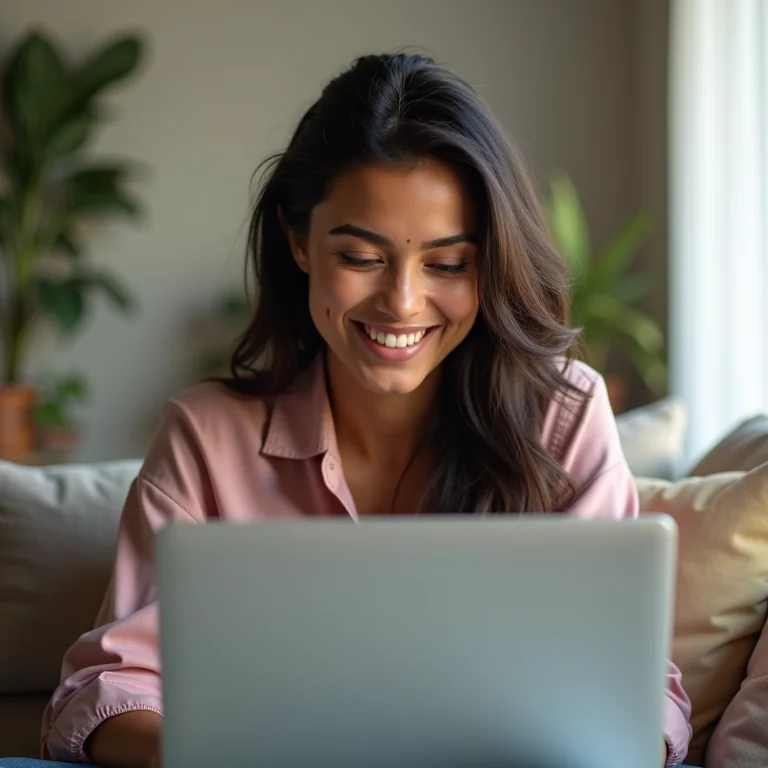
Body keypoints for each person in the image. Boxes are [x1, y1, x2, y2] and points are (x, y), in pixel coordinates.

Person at [32, 53, 692, 768]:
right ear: (298, 242)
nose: (403, 303)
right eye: (361, 257)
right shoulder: (206, 437)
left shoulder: (562, 417)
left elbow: (639, 697)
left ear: (490, 263)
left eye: (447, 263)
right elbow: (106, 689)